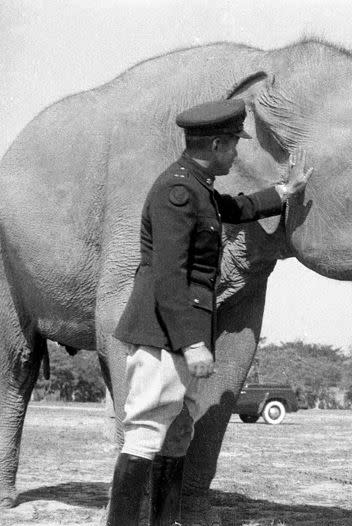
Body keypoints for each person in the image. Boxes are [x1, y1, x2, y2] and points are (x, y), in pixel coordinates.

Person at [107, 99, 313, 526]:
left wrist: (282, 193)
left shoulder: (196, 187)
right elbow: (168, 275)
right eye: (234, 145)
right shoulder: (176, 191)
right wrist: (192, 342)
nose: (236, 153)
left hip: (182, 333)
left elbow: (231, 210)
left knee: (178, 433)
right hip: (163, 334)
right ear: (217, 144)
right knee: (145, 435)